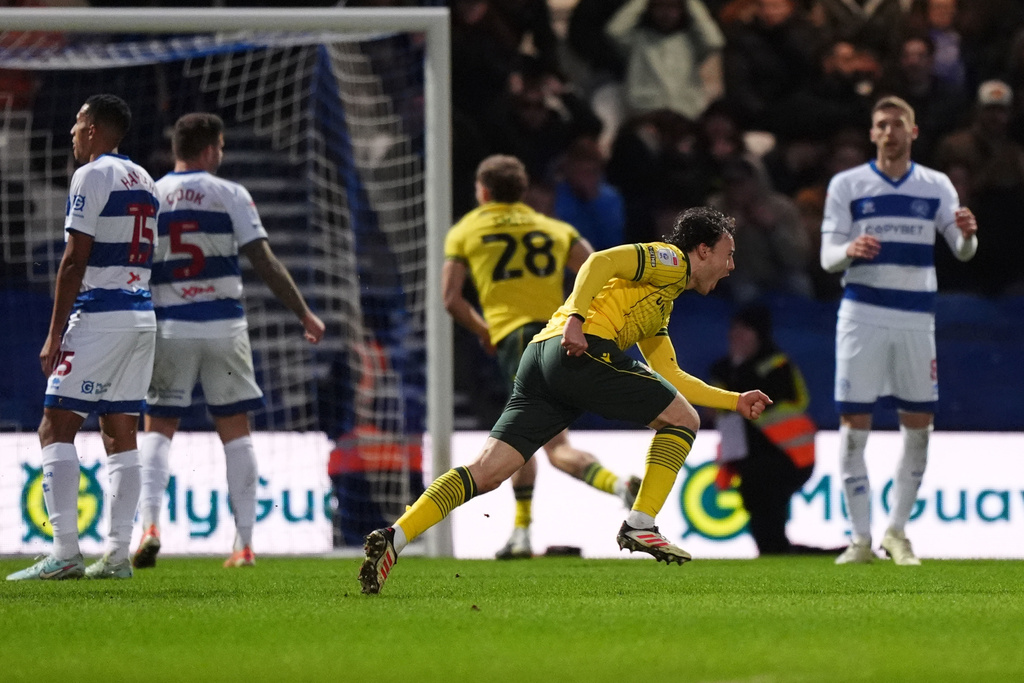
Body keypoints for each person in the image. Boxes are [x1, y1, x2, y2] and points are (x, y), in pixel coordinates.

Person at [360, 206, 772, 594]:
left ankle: (396, 537)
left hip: (539, 358)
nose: (731, 265)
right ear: (703, 250)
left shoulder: (657, 303)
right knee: (683, 420)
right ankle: (641, 522)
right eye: (728, 254)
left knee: (486, 472)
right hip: (578, 348)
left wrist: (734, 400)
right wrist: (576, 318)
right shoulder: (670, 260)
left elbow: (671, 375)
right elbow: (599, 261)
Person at [130, 112, 325, 570]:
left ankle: (151, 526)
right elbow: (264, 260)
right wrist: (304, 313)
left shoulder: (152, 195)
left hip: (171, 326)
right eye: (220, 145)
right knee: (236, 434)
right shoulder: (231, 194)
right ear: (209, 149)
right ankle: (242, 544)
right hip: (225, 328)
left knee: (158, 428)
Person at [443, 154, 640, 560]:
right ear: (522, 191)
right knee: (543, 442)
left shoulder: (465, 231)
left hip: (517, 342)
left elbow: (451, 299)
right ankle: (606, 493)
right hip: (559, 337)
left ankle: (529, 529)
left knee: (529, 443)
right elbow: (600, 271)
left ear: (482, 192)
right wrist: (582, 319)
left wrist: (485, 333)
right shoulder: (556, 229)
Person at [6, 94, 159, 581]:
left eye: (76, 123)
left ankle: (66, 551)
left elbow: (74, 260)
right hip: (141, 315)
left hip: (101, 315)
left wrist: (54, 334)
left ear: (93, 128)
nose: (71, 132)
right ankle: (116, 556)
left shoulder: (91, 175)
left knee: (54, 425)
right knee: (120, 432)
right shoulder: (146, 180)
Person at [820, 95, 978, 566]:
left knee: (919, 427)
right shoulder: (848, 185)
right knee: (853, 428)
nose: (889, 132)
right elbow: (828, 257)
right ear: (872, 134)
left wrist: (968, 234)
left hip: (915, 318)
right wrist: (850, 248)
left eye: (897, 124)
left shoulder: (936, 185)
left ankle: (897, 532)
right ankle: (860, 539)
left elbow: (963, 250)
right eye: (881, 125)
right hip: (862, 315)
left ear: (914, 132)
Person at [709, 304, 823, 555]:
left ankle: (793, 554)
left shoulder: (776, 365)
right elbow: (719, 411)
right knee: (766, 530)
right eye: (734, 330)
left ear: (759, 334)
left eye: (744, 330)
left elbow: (790, 401)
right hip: (749, 458)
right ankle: (786, 555)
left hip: (787, 456)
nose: (736, 336)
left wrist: (740, 376)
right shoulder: (724, 370)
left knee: (769, 510)